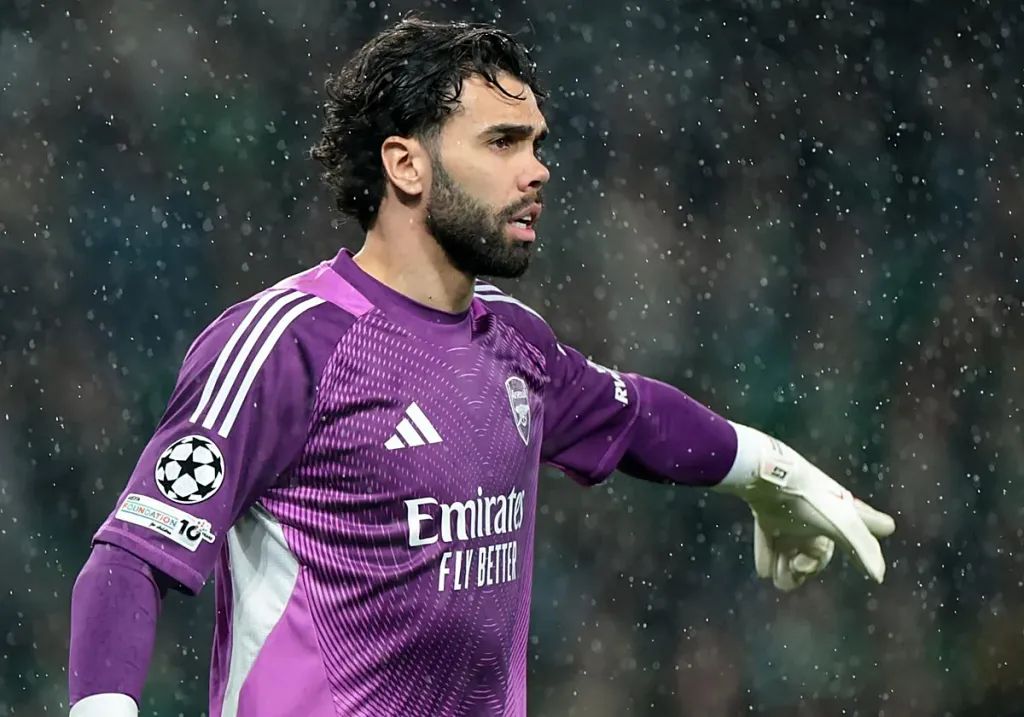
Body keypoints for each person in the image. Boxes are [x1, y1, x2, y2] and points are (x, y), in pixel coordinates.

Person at [67, 17, 895, 717]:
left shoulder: (514, 342)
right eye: (502, 142)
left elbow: (635, 417)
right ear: (406, 164)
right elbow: (130, 561)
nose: (538, 169)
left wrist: (769, 472)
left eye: (537, 143)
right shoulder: (287, 344)